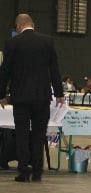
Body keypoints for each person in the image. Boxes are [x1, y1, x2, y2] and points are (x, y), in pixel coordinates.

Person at [0, 14, 65, 182]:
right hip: (42, 97)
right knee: (39, 134)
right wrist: (59, 94)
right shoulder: (47, 41)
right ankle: (37, 171)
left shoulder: (12, 43)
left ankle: (23, 172)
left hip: (20, 98)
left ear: (18, 26)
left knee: (21, 134)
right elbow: (54, 69)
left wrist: (1, 95)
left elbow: (5, 71)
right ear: (33, 24)